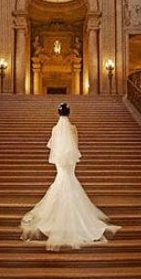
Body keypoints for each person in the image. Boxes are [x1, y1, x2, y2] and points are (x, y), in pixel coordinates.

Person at [20, 103, 120, 251]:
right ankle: (78, 222)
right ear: (69, 113)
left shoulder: (55, 129)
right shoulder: (73, 128)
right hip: (70, 163)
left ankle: (57, 221)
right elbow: (76, 147)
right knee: (70, 183)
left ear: (58, 113)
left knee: (60, 183)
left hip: (60, 162)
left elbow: (53, 148)